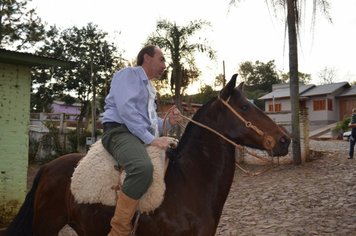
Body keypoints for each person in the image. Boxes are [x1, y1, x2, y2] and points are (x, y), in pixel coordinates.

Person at [101, 45, 183, 236]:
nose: (165, 64)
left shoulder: (149, 87)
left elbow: (151, 123)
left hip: (136, 133)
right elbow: (126, 111)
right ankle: (118, 231)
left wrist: (169, 122)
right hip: (119, 132)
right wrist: (152, 140)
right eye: (161, 59)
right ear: (147, 58)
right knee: (142, 168)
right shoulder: (128, 75)